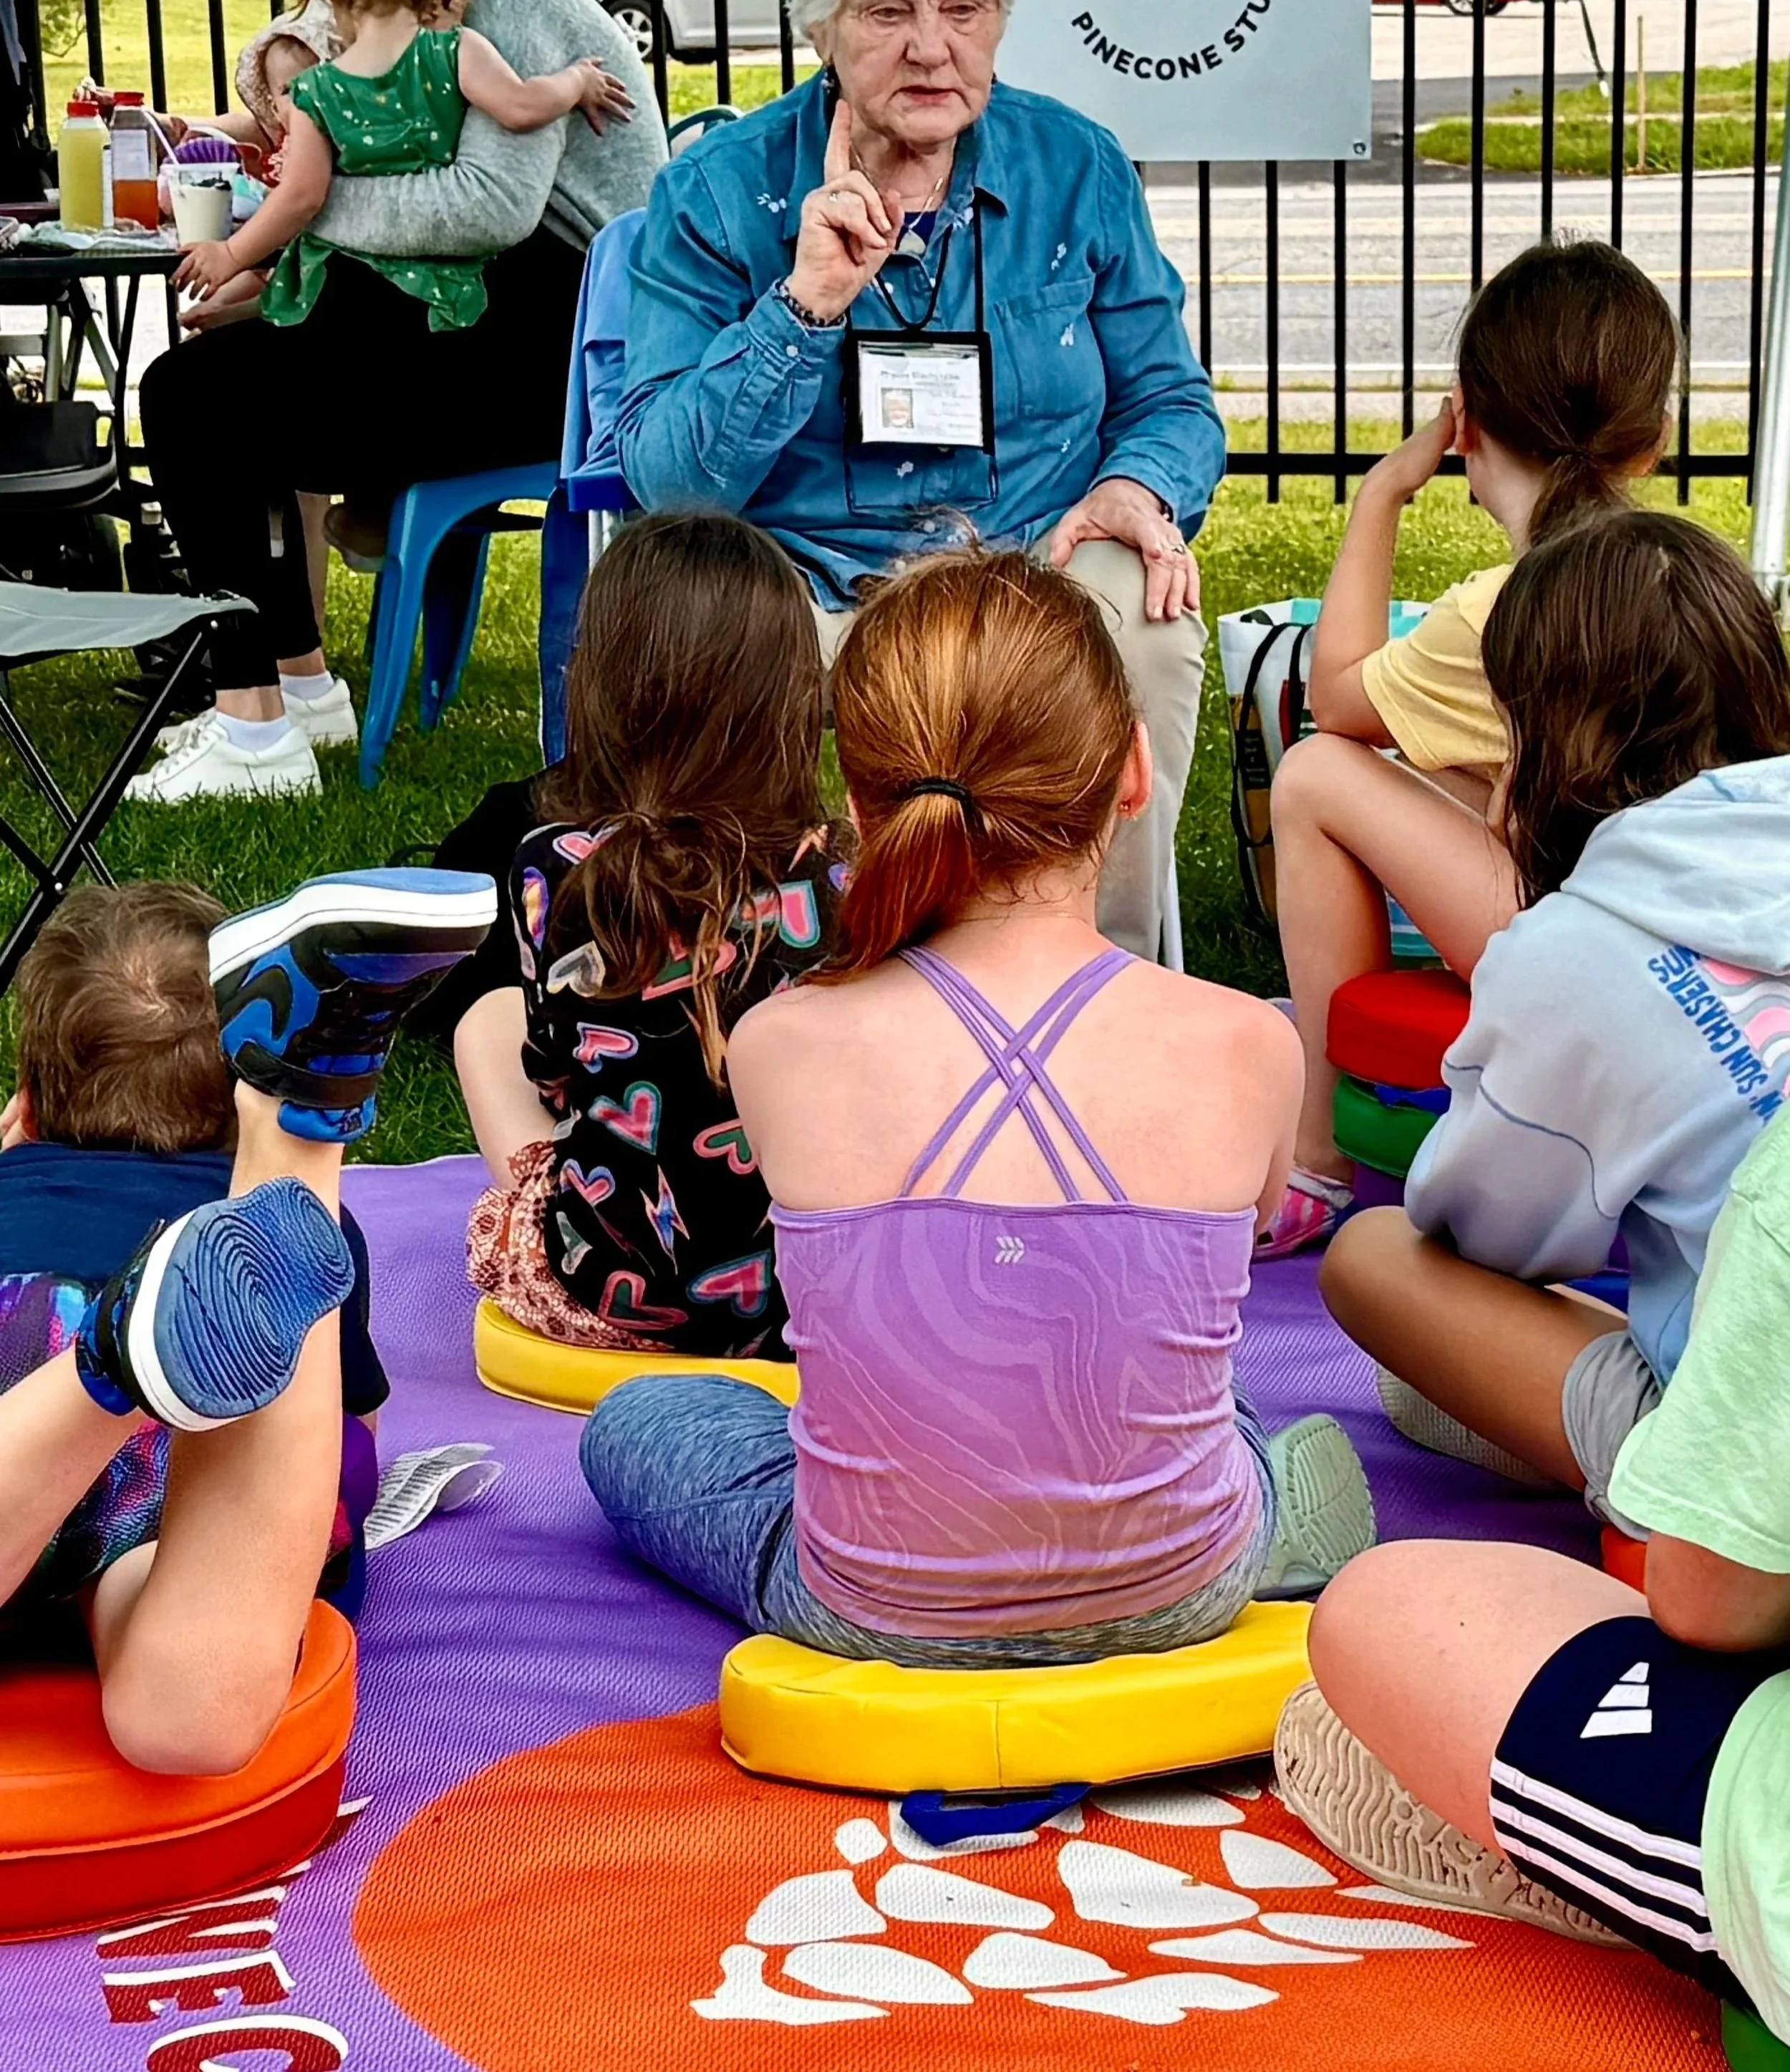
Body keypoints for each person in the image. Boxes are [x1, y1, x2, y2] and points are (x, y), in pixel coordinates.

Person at [581, 548, 1375, 1668]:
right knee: (1207, 1378)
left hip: (874, 1609)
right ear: (1134, 772)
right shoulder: (1254, 1043)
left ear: (860, 808)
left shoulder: (776, 1045)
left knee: (638, 1426)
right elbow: (1219, 1251)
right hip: (1185, 1586)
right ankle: (1277, 1513)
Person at [616, 0, 1223, 963]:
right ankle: (782, 992)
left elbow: (1172, 400)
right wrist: (803, 309)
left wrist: (1141, 486)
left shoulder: (1077, 168)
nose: (933, 47)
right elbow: (665, 484)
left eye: (965, 6)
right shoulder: (715, 192)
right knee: (707, 623)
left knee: (1141, 606)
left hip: (1027, 572)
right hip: (809, 585)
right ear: (820, 23)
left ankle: (1110, 976)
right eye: (890, 10)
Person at [135, 0, 664, 805]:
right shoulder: (449, 27)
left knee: (194, 400)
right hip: (507, 317)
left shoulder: (513, 4)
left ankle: (256, 729)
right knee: (214, 389)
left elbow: (485, 207)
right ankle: (295, 688)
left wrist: (303, 209)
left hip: (568, 344)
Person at [1276, 1091, 1790, 2043]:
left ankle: (1566, 1847)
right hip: (1710, 1442)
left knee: (1377, 1600)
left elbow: (1472, 1212)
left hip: (1706, 1484)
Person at [1320, 509, 1790, 1522]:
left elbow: (1486, 1236)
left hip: (1745, 1480)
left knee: (1373, 1259)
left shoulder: (1574, 948)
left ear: (1532, 731)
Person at [0, 866, 493, 1771]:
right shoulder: (284, 1246)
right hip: (180, 1472)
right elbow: (358, 1426)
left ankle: (103, 1368)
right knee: (184, 1718)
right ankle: (294, 1139)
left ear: (26, 1109)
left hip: (16, 1348)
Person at [1262, 239, 1679, 1255]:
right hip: (1697, 941)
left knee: (1320, 773)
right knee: (1434, 760)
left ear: (1468, 423)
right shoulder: (1693, 581)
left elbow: (1333, 700)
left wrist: (1381, 497)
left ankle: (1316, 1155)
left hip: (1584, 941)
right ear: (1655, 437)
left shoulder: (1500, 611)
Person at [461, 513, 839, 1356]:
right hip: (816, 1307)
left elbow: (553, 1075)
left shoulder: (553, 865)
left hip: (610, 1297)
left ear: (599, 684)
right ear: (794, 695)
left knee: (483, 1022)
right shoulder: (844, 871)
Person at [173, 0, 619, 331]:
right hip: (439, 287)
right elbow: (524, 107)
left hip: (345, 287)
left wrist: (230, 253)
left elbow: (300, 197)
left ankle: (239, 312)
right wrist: (577, 79)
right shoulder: (457, 52)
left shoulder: (315, 93)